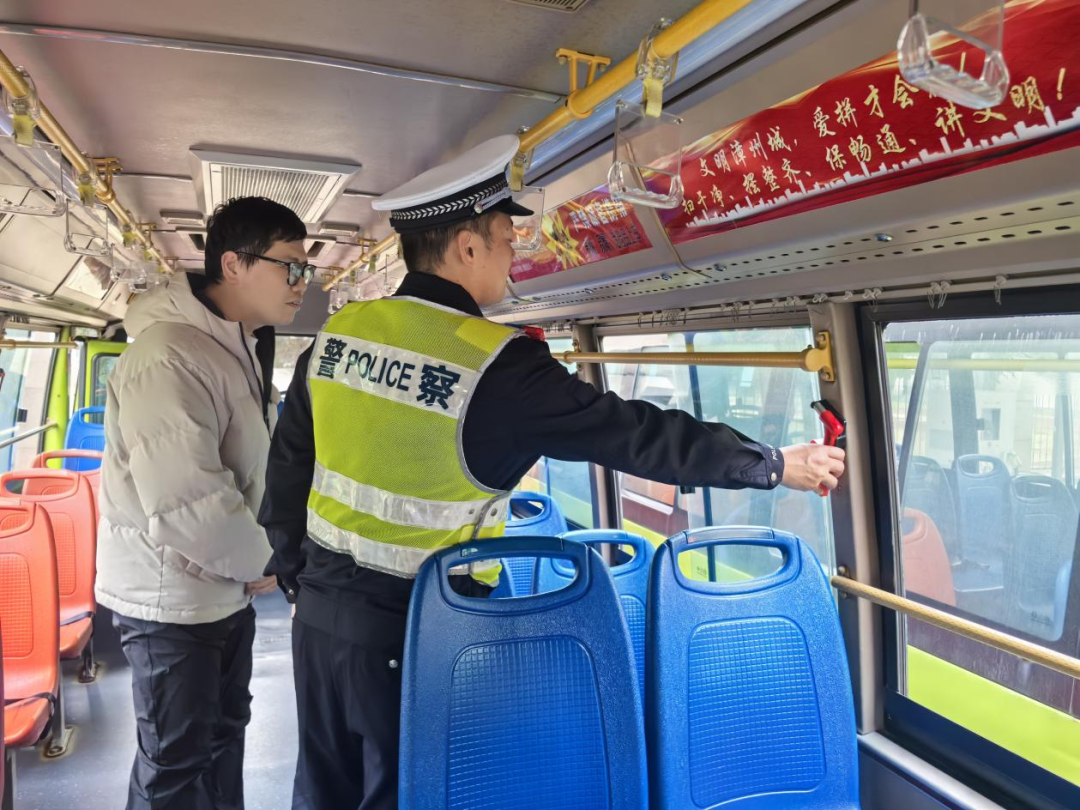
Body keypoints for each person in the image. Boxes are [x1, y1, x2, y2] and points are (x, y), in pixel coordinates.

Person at [259, 135, 845, 810]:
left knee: (321, 793)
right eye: (506, 238)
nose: (514, 254)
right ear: (467, 247)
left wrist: (298, 579)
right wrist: (773, 464)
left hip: (319, 624)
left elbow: (288, 467)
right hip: (414, 636)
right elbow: (634, 434)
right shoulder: (494, 364)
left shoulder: (342, 333)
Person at [96, 196, 314, 810]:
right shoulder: (168, 355)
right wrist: (268, 560)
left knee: (222, 737)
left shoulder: (235, 346)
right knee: (175, 762)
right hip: (170, 599)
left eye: (306, 269)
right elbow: (186, 499)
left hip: (218, 589)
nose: (301, 282)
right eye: (290, 266)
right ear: (234, 264)